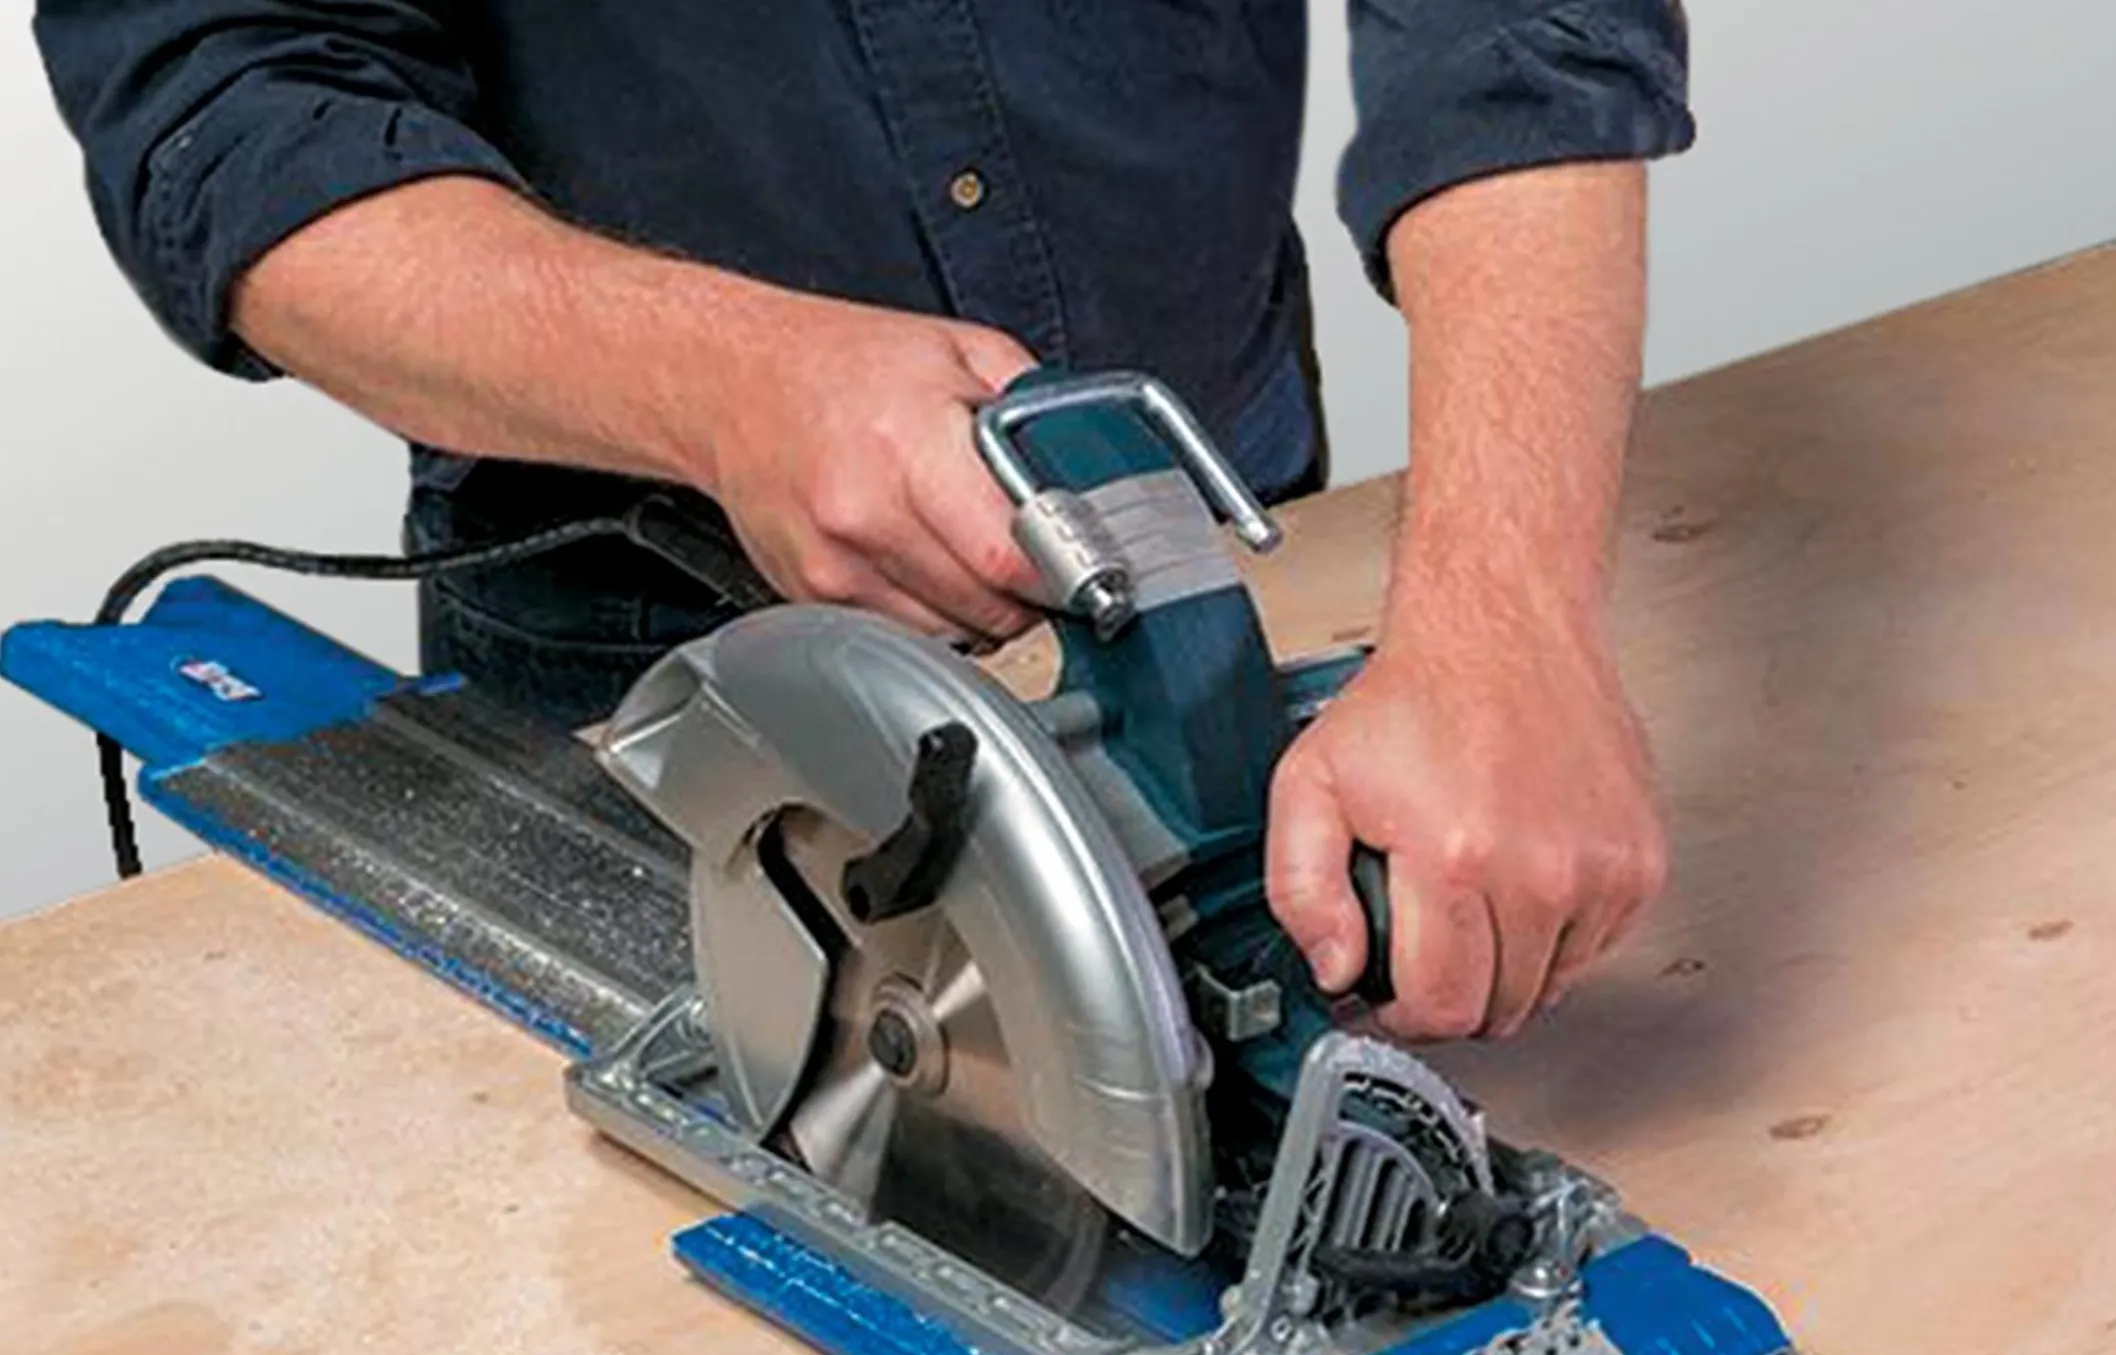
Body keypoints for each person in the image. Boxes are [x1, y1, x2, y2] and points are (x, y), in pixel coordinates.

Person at [35, 1, 1692, 1040]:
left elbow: (1514, 26)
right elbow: (232, 99)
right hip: (652, 643)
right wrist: (727, 383)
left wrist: (1503, 620)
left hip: (1222, 515)